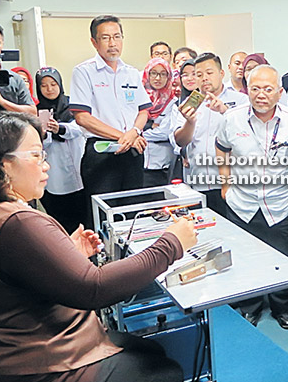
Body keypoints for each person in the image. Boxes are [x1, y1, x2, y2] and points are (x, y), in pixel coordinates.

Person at [0, 111, 198, 382]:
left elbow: (17, 275)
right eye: (35, 156)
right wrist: (172, 243)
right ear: (3, 165)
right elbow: (95, 288)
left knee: (148, 350)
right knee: (166, 376)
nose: (46, 165)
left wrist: (67, 255)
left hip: (7, 364)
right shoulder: (19, 222)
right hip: (39, 380)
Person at [216, 65, 288, 328]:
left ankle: (282, 307)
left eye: (268, 89)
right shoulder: (232, 118)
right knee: (245, 257)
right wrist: (225, 183)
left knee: (284, 256)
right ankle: (250, 305)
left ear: (279, 92)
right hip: (242, 201)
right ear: (247, 90)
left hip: (282, 201)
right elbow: (221, 148)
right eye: (255, 88)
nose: (261, 95)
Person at [69, 15, 150, 226]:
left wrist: (134, 133)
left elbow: (143, 111)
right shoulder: (84, 72)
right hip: (101, 151)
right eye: (105, 38)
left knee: (133, 211)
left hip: (133, 150)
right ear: (94, 42)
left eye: (117, 37)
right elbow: (83, 117)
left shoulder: (131, 73)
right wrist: (125, 136)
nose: (112, 43)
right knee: (102, 216)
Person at [171, 52, 248, 216]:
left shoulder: (240, 101)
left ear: (221, 74)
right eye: (199, 74)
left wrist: (224, 111)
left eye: (209, 73)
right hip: (197, 184)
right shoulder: (190, 103)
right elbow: (180, 141)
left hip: (229, 185)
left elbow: (248, 134)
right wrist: (189, 123)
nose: (204, 78)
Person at [36, 67, 86, 234]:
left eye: (53, 84)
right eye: (44, 86)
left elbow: (80, 128)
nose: (49, 89)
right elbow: (40, 145)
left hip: (80, 170)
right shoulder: (35, 111)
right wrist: (44, 132)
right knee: (63, 222)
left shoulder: (73, 105)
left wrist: (60, 129)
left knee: (85, 219)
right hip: (56, 177)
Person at [141, 57, 178, 187]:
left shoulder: (173, 102)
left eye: (163, 74)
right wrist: (150, 126)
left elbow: (164, 132)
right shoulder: (139, 98)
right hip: (139, 163)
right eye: (154, 73)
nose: (158, 78)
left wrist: (138, 134)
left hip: (162, 166)